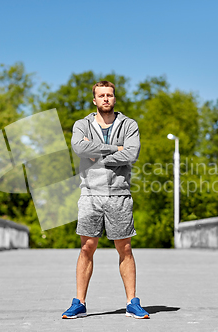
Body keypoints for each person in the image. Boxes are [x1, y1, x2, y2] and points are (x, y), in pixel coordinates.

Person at [62, 81, 149, 319]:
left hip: (119, 195)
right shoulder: (82, 124)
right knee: (87, 247)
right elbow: (79, 149)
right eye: (101, 96)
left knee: (125, 248)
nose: (106, 99)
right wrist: (115, 149)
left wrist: (98, 155)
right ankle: (79, 302)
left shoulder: (129, 124)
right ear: (94, 100)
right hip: (90, 194)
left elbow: (131, 153)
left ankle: (132, 302)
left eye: (109, 95)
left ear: (114, 98)